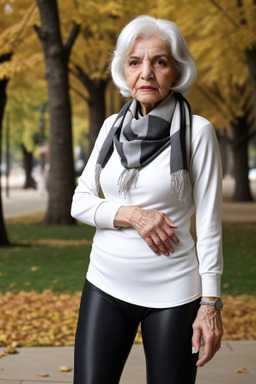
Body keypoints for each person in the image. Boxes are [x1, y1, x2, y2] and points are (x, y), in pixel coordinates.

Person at [71, 15, 223, 384]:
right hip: (105, 283)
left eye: (160, 62)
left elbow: (209, 225)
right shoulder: (111, 127)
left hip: (174, 292)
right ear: (124, 70)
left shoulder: (197, 132)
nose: (146, 74)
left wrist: (210, 304)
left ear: (176, 70)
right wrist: (131, 215)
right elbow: (79, 201)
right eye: (135, 62)